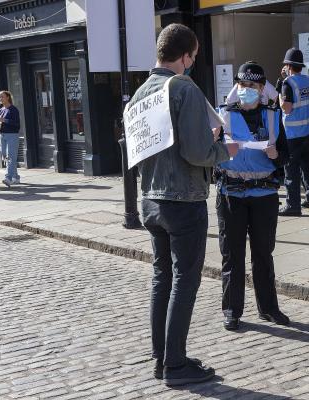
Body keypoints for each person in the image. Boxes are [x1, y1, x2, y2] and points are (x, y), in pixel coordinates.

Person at [131, 23, 239, 385]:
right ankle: (176, 365)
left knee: (161, 278)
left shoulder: (140, 93)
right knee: (183, 281)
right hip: (182, 200)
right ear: (186, 55)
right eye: (193, 56)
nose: (193, 62)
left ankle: (162, 358)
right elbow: (196, 152)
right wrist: (223, 150)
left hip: (150, 199)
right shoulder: (184, 88)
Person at [215, 62, 290, 331]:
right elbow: (207, 154)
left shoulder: (272, 116)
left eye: (253, 86)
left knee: (263, 254)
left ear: (262, 89)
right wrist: (220, 147)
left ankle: (268, 308)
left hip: (264, 194)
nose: (248, 90)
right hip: (231, 194)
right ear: (238, 86)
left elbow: (286, 155)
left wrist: (276, 155)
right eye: (243, 85)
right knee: (232, 255)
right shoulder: (221, 115)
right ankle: (232, 310)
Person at [277, 48, 309, 216]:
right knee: (307, 166)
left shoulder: (288, 83)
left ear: (288, 65)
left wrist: (281, 92)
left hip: (292, 134)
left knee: (291, 171)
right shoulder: (308, 80)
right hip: (307, 131)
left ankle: (292, 205)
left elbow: (286, 109)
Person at [0, 91, 21, 188]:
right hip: (2, 135)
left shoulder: (13, 110)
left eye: (2, 97)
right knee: (6, 156)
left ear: (7, 97)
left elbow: (17, 124)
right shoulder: (0, 110)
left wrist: (5, 120)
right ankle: (16, 177)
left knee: (10, 157)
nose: (0, 99)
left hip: (12, 135)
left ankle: (8, 178)